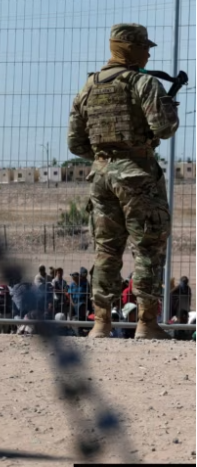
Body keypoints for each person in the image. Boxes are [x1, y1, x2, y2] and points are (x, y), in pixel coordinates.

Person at [68, 24, 179, 340]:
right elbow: (164, 127)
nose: (148, 55)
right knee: (148, 248)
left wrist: (106, 157)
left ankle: (101, 323)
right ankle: (147, 323)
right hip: (137, 177)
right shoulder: (144, 83)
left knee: (106, 250)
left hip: (101, 178)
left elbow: (75, 143)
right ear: (130, 49)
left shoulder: (88, 86)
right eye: (145, 48)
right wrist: (166, 112)